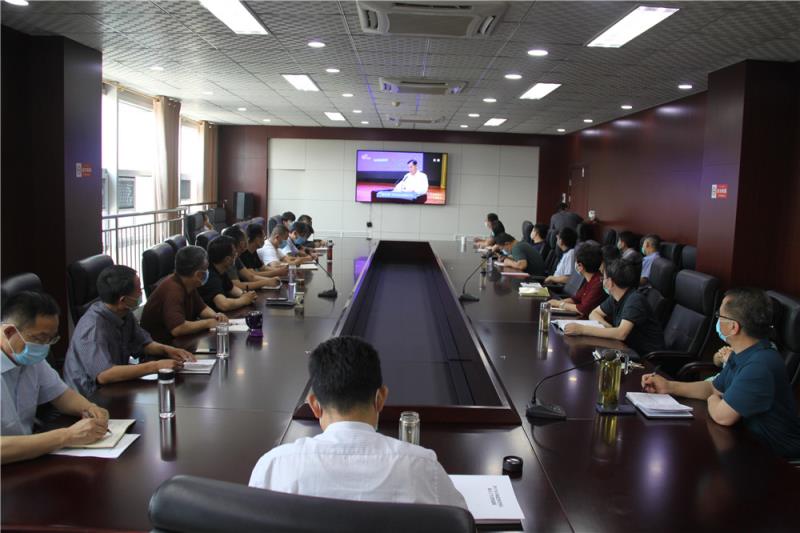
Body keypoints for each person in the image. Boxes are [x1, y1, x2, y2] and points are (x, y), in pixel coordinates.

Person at [249, 336, 467, 508]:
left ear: (315, 405)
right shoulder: (423, 468)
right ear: (380, 398)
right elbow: (462, 524)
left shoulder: (274, 467)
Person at [642, 288, 800, 459]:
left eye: (720, 316)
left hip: (778, 459)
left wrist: (713, 398)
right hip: (747, 443)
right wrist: (669, 386)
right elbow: (713, 387)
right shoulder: (743, 352)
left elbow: (722, 416)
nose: (717, 320)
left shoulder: (760, 365)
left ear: (733, 327)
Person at [1, 291, 109, 464]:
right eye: (40, 338)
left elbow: (61, 395)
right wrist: (67, 436)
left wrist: (90, 408)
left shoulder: (30, 359)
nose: (45, 346)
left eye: (51, 339)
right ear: (9, 332)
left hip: (28, 457)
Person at [63, 265, 195, 396]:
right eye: (138, 290)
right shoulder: (93, 328)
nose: (141, 294)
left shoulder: (124, 313)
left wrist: (168, 350)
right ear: (123, 300)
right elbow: (104, 375)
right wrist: (155, 366)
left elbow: (143, 343)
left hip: (115, 387)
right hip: (90, 397)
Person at [564, 259, 665, 356]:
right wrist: (610, 328)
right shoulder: (615, 297)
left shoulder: (635, 300)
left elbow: (621, 334)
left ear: (609, 282)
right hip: (626, 349)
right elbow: (594, 313)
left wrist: (582, 329)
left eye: (603, 278)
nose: (602, 281)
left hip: (646, 358)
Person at [140, 245, 227, 344]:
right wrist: (208, 323)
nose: (208, 272)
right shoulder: (173, 290)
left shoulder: (188, 283)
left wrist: (215, 316)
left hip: (179, 342)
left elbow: (202, 308)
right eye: (206, 269)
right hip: (162, 347)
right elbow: (177, 328)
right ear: (198, 275)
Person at [198, 236, 258, 312]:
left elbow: (231, 289)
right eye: (234, 253)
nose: (236, 255)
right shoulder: (210, 276)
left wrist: (245, 294)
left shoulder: (221, 270)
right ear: (227, 259)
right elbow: (223, 305)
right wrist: (244, 300)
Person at [547, 242, 605, 318]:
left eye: (576, 261)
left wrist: (559, 304)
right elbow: (576, 299)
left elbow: (582, 309)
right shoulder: (590, 280)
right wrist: (556, 303)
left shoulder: (598, 283)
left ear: (580, 266)